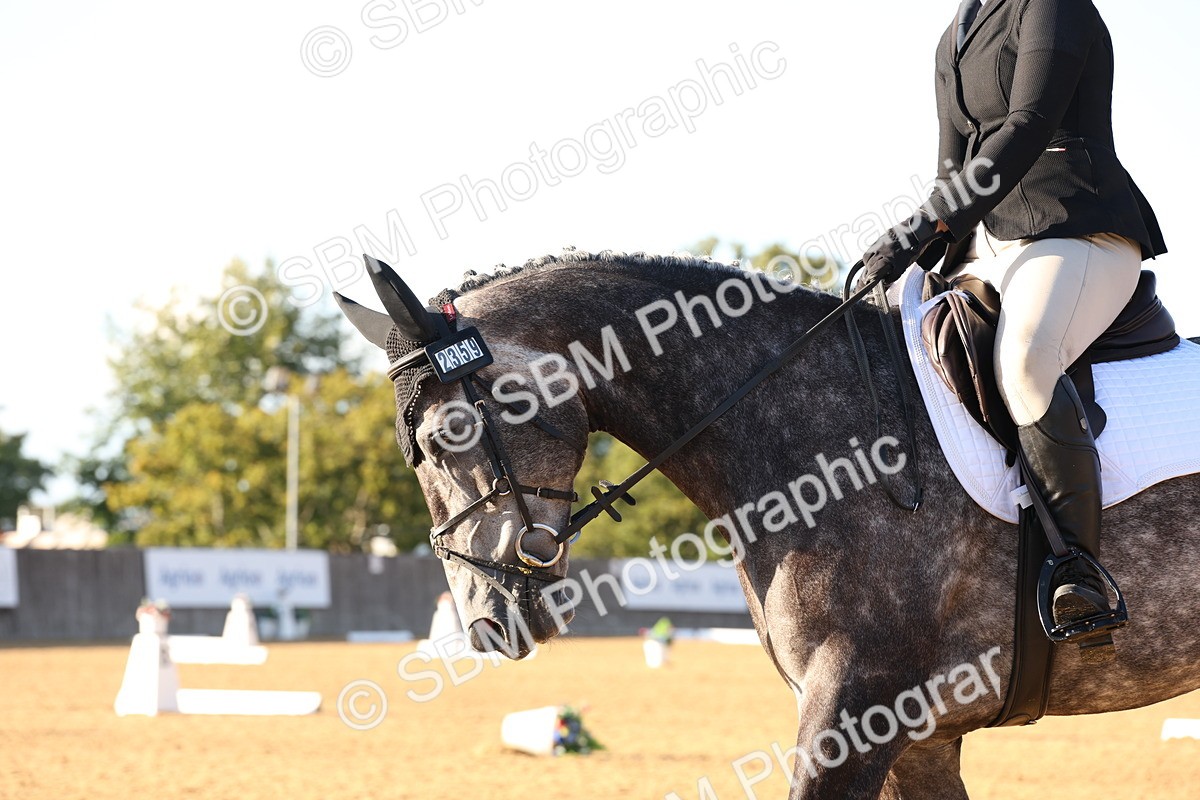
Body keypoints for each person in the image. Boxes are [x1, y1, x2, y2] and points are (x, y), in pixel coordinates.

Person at [860, 0, 1166, 648]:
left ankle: (1076, 569)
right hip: (988, 245)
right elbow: (954, 168)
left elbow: (1027, 125)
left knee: (1026, 358)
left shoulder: (1055, 6)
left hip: (1075, 225)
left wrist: (921, 224)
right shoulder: (956, 34)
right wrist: (917, 254)